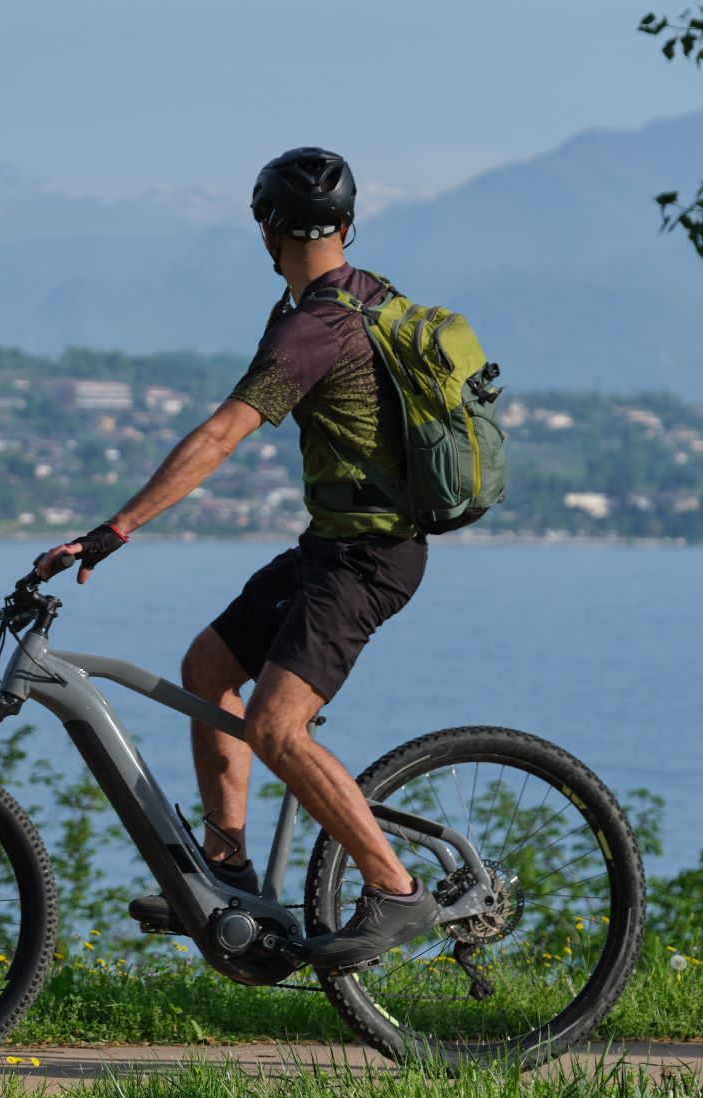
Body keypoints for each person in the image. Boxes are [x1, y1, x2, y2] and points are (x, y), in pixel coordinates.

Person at [32, 147, 438, 971]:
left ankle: (396, 889)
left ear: (267, 233)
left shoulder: (312, 325)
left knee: (274, 726)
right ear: (347, 227)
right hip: (336, 546)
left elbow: (222, 434)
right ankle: (226, 865)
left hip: (366, 560)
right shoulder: (365, 296)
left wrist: (115, 529)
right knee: (208, 664)